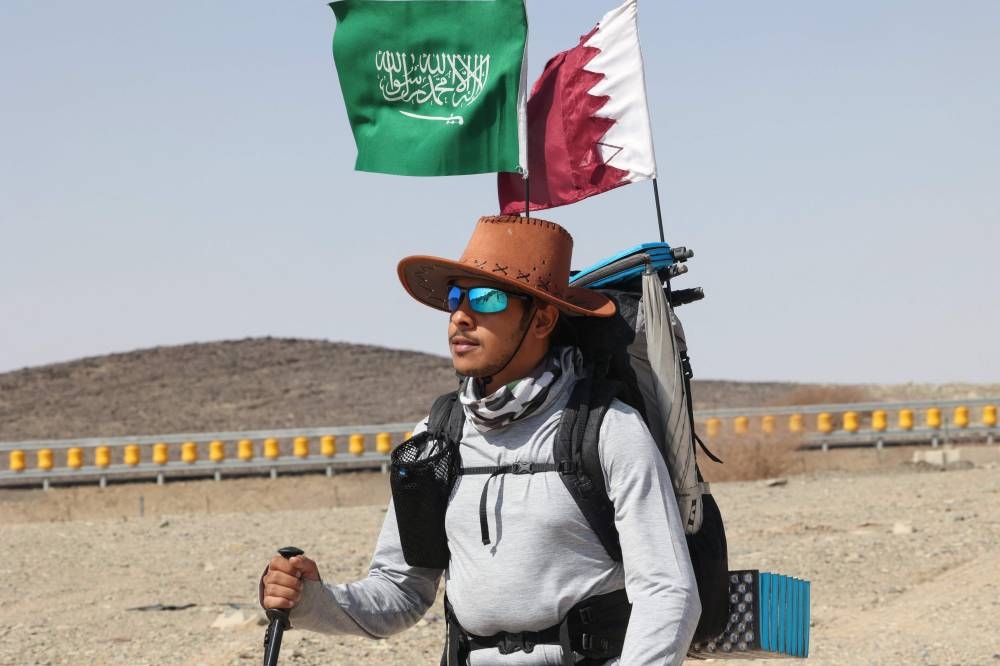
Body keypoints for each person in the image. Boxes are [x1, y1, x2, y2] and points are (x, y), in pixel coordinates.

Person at [260, 215, 701, 665]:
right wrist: (312, 601)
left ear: (543, 318)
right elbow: (401, 590)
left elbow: (668, 591)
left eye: (487, 298)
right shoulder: (434, 437)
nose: (461, 317)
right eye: (456, 297)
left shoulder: (608, 429)